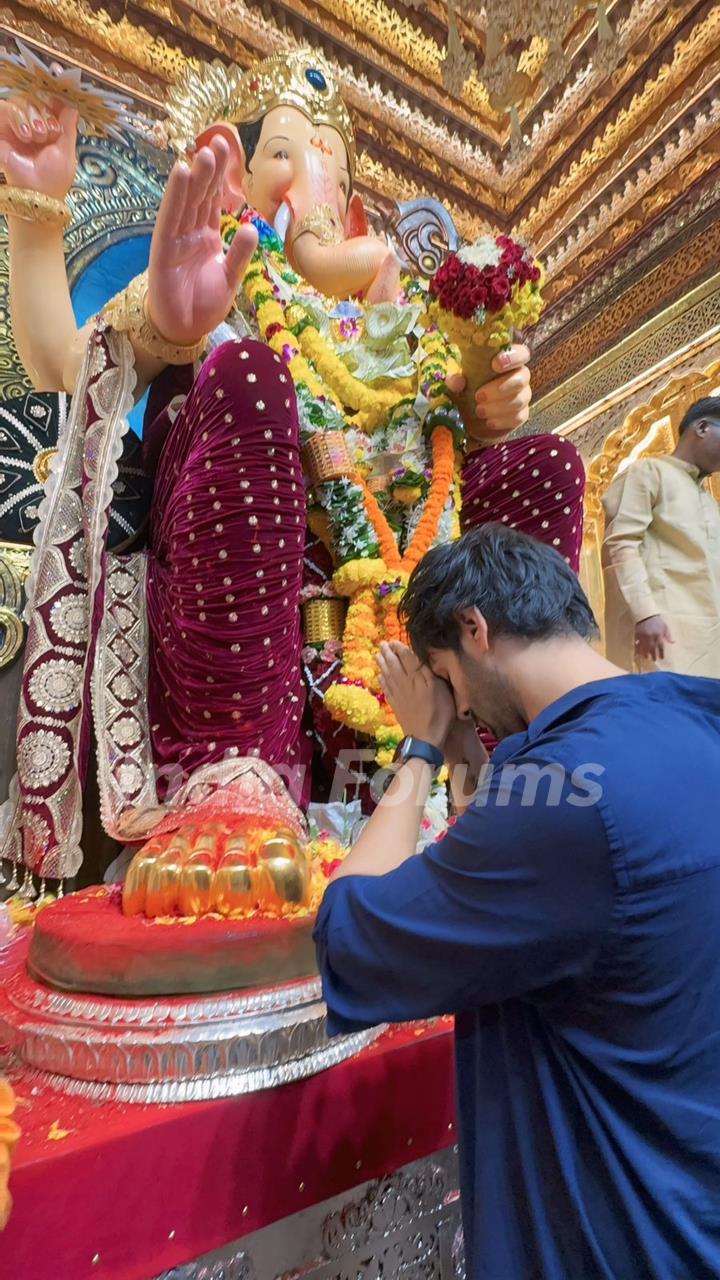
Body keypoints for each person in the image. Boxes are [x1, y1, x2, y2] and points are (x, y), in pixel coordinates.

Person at [0, 46, 586, 886]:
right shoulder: (217, 282)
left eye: (334, 171)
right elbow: (65, 361)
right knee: (249, 374)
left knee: (549, 466)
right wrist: (41, 218)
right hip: (240, 605)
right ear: (236, 178)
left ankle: (509, 761)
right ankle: (232, 788)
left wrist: (485, 409)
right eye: (285, 151)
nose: (313, 182)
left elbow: (440, 464)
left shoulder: (400, 342)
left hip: (397, 606)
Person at [314, 524, 720, 1280]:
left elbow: (348, 931)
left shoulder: (569, 793)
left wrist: (422, 750)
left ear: (475, 628)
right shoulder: (694, 720)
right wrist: (469, 755)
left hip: (623, 1230)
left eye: (448, 675)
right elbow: (537, 894)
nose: (460, 703)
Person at [602, 396, 720, 677]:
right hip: (663, 638)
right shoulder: (648, 472)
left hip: (710, 642)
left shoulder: (708, 500)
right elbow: (621, 543)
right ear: (702, 427)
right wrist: (645, 613)